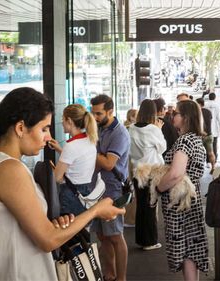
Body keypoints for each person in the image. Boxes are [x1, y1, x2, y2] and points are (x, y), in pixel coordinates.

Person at [0, 87, 124, 280]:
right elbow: (48, 240)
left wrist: (53, 226)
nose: (48, 136)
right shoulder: (9, 170)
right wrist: (96, 210)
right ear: (21, 128)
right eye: (43, 129)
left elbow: (29, 229)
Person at [156, 100, 209, 279]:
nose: (172, 115)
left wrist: (158, 188)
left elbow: (175, 174)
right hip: (191, 199)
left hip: (180, 203)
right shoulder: (195, 139)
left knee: (185, 250)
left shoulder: (185, 140)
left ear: (185, 117)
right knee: (192, 249)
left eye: (176, 113)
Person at [90, 94, 130, 281]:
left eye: (99, 113)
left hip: (113, 188)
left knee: (114, 235)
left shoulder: (120, 133)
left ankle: (120, 278)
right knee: (102, 235)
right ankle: (110, 275)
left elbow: (108, 163)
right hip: (98, 186)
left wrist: (89, 149)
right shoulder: (99, 129)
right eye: (93, 113)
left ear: (110, 111)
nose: (95, 117)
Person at [47, 104, 98, 216]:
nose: (62, 123)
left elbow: (57, 177)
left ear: (69, 120)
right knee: (82, 230)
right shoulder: (90, 140)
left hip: (70, 195)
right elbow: (78, 159)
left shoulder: (71, 146)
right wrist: (60, 150)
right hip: (86, 191)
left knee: (69, 231)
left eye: (63, 119)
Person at [128, 99, 165, 251]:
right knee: (150, 206)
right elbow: (162, 148)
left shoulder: (131, 128)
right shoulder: (153, 129)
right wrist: (159, 129)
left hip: (137, 170)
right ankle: (150, 241)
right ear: (153, 113)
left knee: (141, 205)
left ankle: (141, 239)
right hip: (151, 171)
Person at [123, 108, 138, 227]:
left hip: (128, 162)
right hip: (130, 162)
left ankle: (130, 218)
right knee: (131, 190)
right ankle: (130, 219)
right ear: (131, 117)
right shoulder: (130, 129)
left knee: (130, 189)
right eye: (136, 115)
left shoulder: (127, 128)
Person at [196, 97, 216, 171]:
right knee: (211, 153)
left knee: (198, 154)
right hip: (209, 135)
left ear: (200, 104)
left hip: (200, 136)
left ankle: (198, 169)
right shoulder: (208, 112)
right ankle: (213, 167)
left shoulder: (197, 113)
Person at [205, 92, 220, 160]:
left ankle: (207, 159)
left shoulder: (205, 105)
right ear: (215, 98)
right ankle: (214, 158)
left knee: (207, 144)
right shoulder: (217, 106)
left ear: (209, 97)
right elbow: (219, 118)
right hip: (215, 128)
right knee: (214, 144)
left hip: (207, 128)